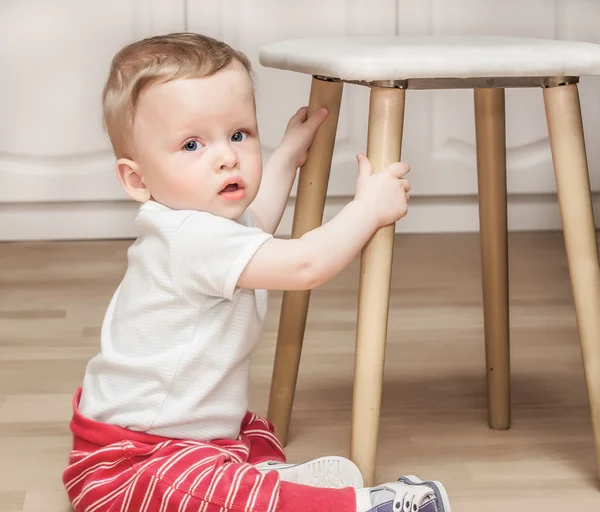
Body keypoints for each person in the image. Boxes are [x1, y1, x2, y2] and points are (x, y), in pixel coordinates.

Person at [62, 32, 451, 512]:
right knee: (201, 484)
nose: (227, 156)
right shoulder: (190, 240)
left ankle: (262, 482)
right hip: (131, 462)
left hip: (193, 441)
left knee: (250, 429)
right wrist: (367, 209)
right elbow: (305, 263)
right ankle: (357, 506)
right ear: (137, 179)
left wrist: (286, 154)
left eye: (239, 134)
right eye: (191, 144)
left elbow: (258, 221)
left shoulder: (209, 226)